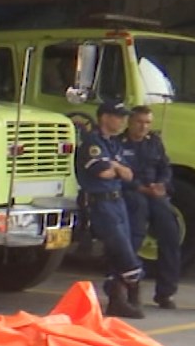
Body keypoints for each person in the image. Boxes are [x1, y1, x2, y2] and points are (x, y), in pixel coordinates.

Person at [76, 100, 144, 318]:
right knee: (123, 251)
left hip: (118, 200)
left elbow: (129, 174)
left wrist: (114, 166)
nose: (123, 120)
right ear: (105, 117)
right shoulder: (92, 142)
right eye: (118, 116)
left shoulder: (113, 144)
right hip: (100, 202)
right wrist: (115, 167)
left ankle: (118, 300)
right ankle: (131, 292)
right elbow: (102, 172)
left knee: (122, 250)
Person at [122, 104, 180, 309]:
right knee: (134, 238)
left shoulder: (154, 142)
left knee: (171, 233)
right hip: (132, 195)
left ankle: (166, 292)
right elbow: (121, 177)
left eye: (147, 123)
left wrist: (162, 185)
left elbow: (165, 167)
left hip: (155, 194)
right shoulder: (119, 143)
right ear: (129, 122)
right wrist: (140, 188)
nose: (143, 127)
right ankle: (129, 290)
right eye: (139, 122)